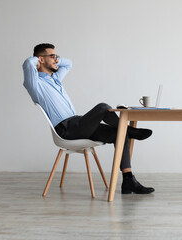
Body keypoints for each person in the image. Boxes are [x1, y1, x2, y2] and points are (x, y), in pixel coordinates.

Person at [23, 43, 154, 194]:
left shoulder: (55, 79)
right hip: (66, 129)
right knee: (103, 107)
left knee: (120, 134)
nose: (56, 59)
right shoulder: (35, 84)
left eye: (56, 56)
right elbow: (27, 63)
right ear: (40, 59)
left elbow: (69, 63)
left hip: (78, 124)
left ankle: (128, 180)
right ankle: (130, 130)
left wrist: (54, 59)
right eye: (52, 56)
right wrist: (37, 60)